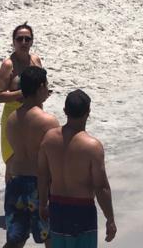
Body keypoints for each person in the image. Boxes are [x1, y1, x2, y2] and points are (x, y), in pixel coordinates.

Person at [38, 88, 116, 247]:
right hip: (81, 211)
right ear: (88, 112)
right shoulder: (92, 147)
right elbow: (101, 187)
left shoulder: (49, 139)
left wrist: (42, 203)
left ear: (65, 111)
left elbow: (43, 175)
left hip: (57, 208)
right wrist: (110, 219)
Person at [3, 65, 59, 248]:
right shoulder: (48, 121)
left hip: (16, 180)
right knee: (51, 238)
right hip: (39, 183)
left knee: (15, 240)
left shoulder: (11, 119)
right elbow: (54, 155)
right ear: (41, 87)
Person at [0, 24, 44, 178]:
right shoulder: (8, 65)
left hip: (35, 114)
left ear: (32, 41)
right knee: (12, 161)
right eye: (20, 39)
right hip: (14, 116)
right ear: (14, 41)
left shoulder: (35, 60)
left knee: (34, 157)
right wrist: (23, 93)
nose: (24, 42)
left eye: (27, 39)